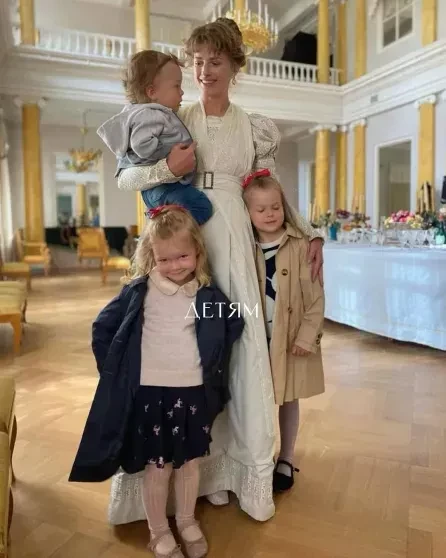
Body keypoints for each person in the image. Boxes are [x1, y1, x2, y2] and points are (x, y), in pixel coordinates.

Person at [109, 17, 324, 524]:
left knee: (237, 345)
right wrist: (168, 170)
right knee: (181, 348)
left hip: (233, 240)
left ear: (234, 65)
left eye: (216, 61)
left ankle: (232, 471)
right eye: (198, 61)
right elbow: (126, 178)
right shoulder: (170, 115)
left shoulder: (254, 126)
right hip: (180, 235)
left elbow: (269, 191)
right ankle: (187, 472)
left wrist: (309, 231)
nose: (205, 70)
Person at [69, 205, 244, 557]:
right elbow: (102, 328)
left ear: (198, 252)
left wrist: (213, 363)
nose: (175, 265)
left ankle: (187, 520)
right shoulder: (139, 292)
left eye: (182, 256)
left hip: (193, 395)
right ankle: (158, 530)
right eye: (164, 259)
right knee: (158, 467)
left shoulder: (206, 295)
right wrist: (116, 372)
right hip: (151, 396)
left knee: (190, 464)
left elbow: (234, 322)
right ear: (151, 256)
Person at [242, 169, 325, 492]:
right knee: (256, 399)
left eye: (275, 207)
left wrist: (307, 337)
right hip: (256, 340)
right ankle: (258, 456)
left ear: (284, 206)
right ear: (248, 212)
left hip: (290, 340)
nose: (270, 214)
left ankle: (286, 457)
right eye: (261, 209)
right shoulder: (244, 247)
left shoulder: (301, 246)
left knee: (288, 398)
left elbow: (315, 298)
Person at [97, 50, 213, 225]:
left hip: (159, 189)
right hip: (163, 187)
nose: (182, 92)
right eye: (176, 86)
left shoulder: (147, 114)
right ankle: (174, 230)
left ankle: (169, 226)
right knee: (202, 208)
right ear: (151, 92)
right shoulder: (150, 115)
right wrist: (166, 157)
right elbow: (141, 144)